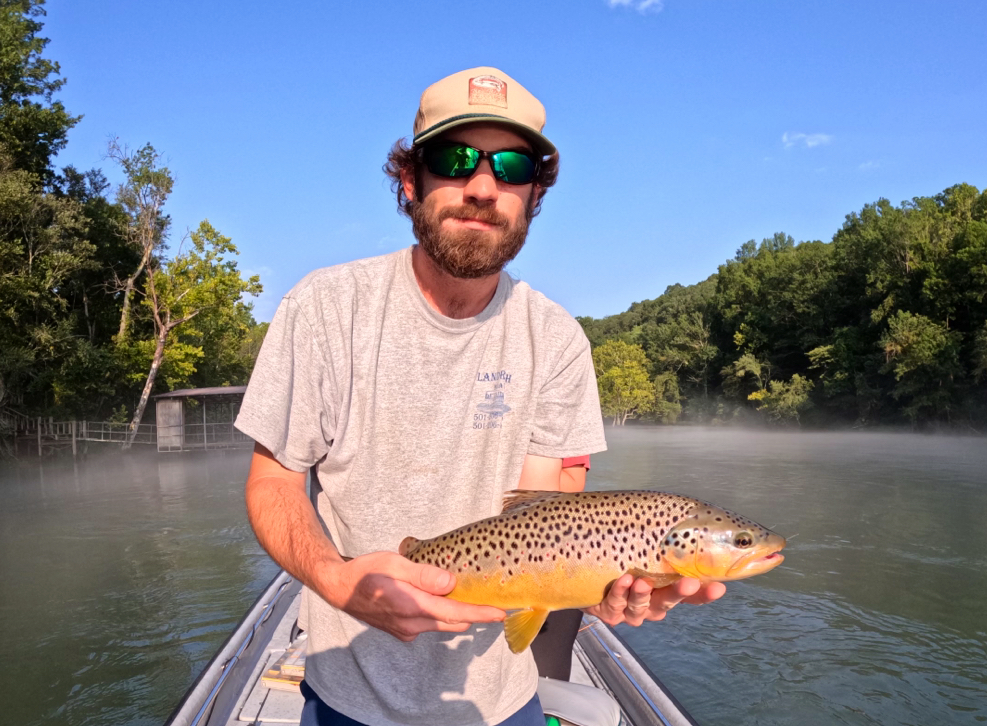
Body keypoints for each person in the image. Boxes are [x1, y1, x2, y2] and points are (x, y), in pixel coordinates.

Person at [236, 67, 724, 726]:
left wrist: (605, 588)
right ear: (411, 180)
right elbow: (273, 484)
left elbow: (546, 510)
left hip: (500, 702)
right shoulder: (325, 309)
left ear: (534, 194)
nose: (483, 187)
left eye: (512, 165)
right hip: (345, 696)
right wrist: (337, 580)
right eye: (454, 158)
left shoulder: (556, 341)